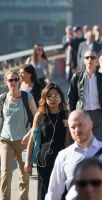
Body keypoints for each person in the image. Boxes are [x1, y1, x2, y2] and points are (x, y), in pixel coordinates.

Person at [45, 110, 102, 200]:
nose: (77, 130)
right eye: (73, 127)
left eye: (80, 125)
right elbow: (53, 192)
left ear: (91, 124)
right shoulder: (63, 155)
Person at [24, 83, 70, 200]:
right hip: (43, 161)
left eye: (56, 95)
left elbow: (79, 137)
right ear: (44, 98)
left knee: (62, 193)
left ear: (61, 98)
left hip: (62, 162)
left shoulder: (67, 115)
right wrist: (28, 160)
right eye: (49, 96)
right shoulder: (40, 116)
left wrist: (71, 126)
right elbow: (32, 140)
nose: (53, 98)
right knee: (43, 193)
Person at [0, 70, 37, 200]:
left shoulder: (27, 97)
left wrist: (30, 134)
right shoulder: (2, 98)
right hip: (6, 140)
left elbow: (37, 119)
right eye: (10, 80)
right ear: (6, 83)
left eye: (16, 79)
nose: (14, 82)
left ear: (19, 81)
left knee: (24, 174)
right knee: (5, 173)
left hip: (24, 141)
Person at [68, 50, 102, 141]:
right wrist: (71, 116)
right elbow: (71, 98)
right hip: (83, 114)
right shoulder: (77, 77)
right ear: (84, 61)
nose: (89, 60)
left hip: (99, 114)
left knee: (98, 144)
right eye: (87, 57)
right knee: (84, 142)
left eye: (92, 57)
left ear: (96, 61)